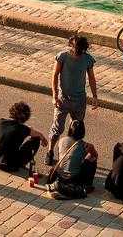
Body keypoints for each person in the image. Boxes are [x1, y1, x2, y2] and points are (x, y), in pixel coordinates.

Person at [47, 33, 99, 163]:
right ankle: (50, 152)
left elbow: (91, 78)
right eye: (76, 49)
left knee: (76, 130)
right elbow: (54, 75)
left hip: (80, 100)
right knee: (57, 128)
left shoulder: (88, 59)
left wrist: (95, 96)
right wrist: (54, 95)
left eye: (80, 50)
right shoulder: (62, 57)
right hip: (63, 99)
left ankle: (70, 155)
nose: (77, 52)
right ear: (71, 46)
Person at [37, 118, 97, 199]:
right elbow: (95, 155)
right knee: (92, 158)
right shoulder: (86, 145)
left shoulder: (61, 140)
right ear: (83, 131)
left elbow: (61, 157)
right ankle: (87, 184)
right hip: (73, 178)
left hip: (60, 175)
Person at [0, 102, 47, 175]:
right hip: (10, 166)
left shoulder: (0, 122)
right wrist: (42, 138)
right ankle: (22, 164)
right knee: (35, 139)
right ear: (25, 117)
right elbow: (38, 134)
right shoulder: (21, 128)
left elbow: (26, 129)